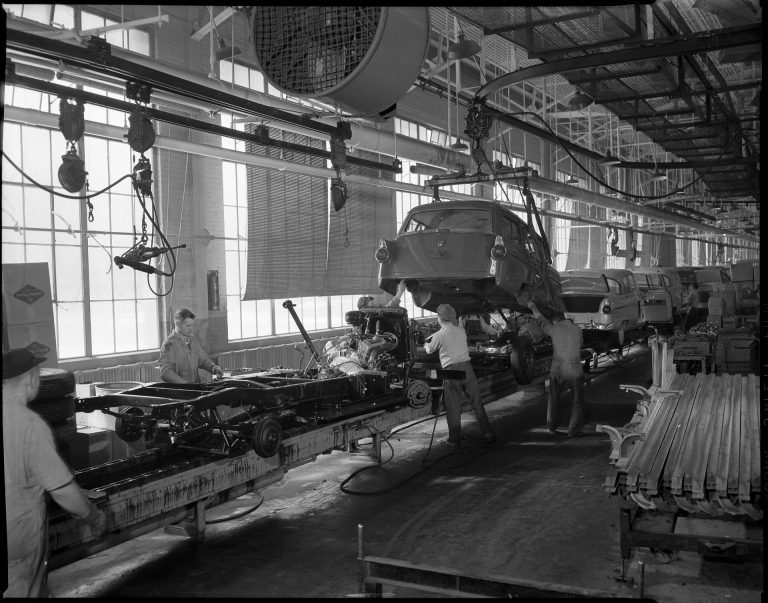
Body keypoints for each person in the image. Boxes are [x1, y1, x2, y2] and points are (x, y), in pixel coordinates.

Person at [3, 348, 107, 597]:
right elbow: (62, 490)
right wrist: (92, 517)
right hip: (18, 542)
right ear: (30, 379)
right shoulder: (28, 425)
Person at [423, 304, 496, 449]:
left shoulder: (439, 335)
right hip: (467, 369)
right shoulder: (461, 330)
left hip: (451, 372)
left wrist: (425, 343)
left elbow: (429, 350)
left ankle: (454, 441)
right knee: (476, 402)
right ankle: (488, 434)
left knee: (453, 406)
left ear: (439, 318)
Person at [527, 301, 585, 437]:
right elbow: (581, 344)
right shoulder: (577, 329)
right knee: (577, 401)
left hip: (557, 368)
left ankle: (551, 428)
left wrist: (533, 307)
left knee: (553, 399)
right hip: (574, 369)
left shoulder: (554, 329)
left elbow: (540, 320)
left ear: (555, 320)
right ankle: (573, 430)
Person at [159, 307, 223, 383]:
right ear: (178, 323)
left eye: (192, 325)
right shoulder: (169, 345)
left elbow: (202, 359)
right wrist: (186, 385)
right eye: (188, 326)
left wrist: (212, 367)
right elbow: (165, 372)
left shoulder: (193, 340)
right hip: (179, 391)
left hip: (195, 388)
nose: (191, 329)